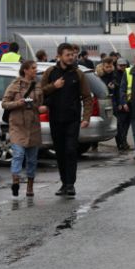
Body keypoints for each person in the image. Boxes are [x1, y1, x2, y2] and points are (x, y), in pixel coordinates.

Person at [41, 43, 93, 197]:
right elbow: (40, 91)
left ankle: (70, 184)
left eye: (72, 55)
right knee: (60, 152)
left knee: (71, 150)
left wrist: (86, 118)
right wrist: (54, 86)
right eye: (68, 55)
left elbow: (87, 97)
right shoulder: (50, 72)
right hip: (55, 119)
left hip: (72, 119)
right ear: (59, 56)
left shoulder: (78, 74)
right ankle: (64, 183)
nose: (71, 57)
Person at [1, 60, 46, 198]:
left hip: (33, 126)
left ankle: (30, 186)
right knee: (18, 154)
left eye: (35, 68)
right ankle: (15, 180)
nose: (35, 70)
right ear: (25, 70)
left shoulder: (37, 86)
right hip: (17, 125)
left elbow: (40, 104)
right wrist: (17, 103)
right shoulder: (15, 85)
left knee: (32, 159)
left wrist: (40, 108)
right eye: (33, 68)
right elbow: (4, 104)